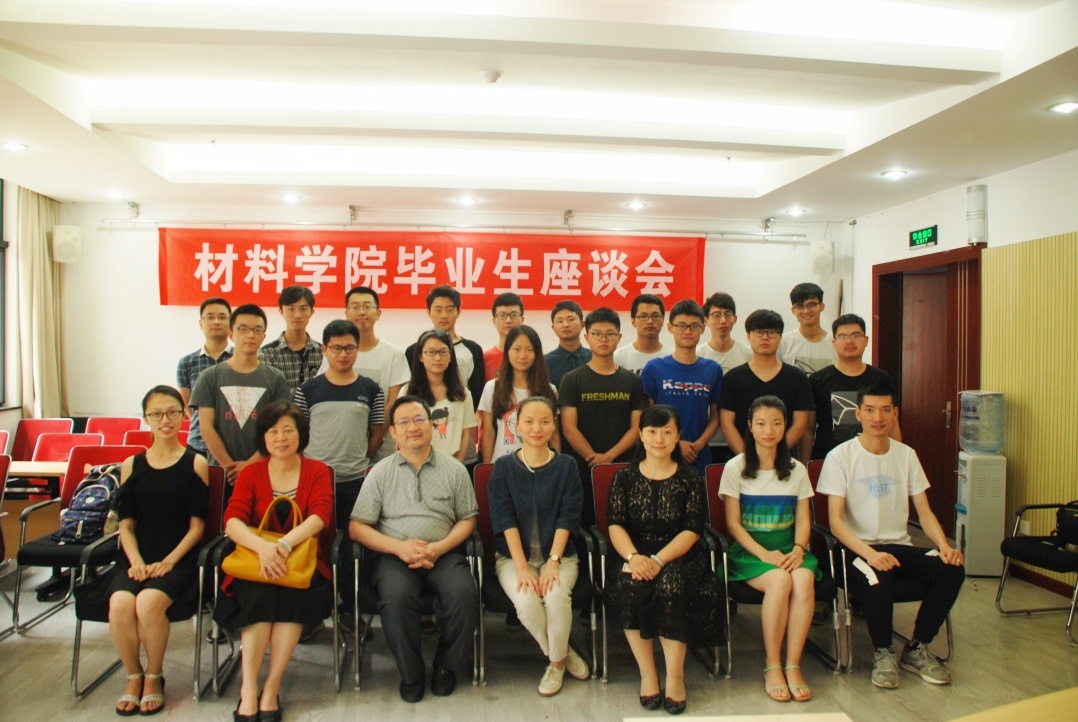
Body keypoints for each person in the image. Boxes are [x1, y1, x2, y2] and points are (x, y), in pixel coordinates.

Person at [816, 383, 965, 689]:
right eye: (870, 410)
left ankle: (917, 647)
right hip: (857, 550)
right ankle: (882, 651)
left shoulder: (906, 455)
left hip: (899, 546)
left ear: (895, 414)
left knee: (951, 569)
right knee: (878, 575)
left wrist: (944, 546)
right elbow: (835, 522)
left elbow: (925, 513)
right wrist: (870, 554)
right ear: (858, 414)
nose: (878, 417)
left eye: (885, 410)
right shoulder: (840, 456)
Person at [350, 396, 479, 703]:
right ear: (393, 432)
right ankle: (412, 673)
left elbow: (468, 519)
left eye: (420, 419)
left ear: (432, 425)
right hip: (395, 556)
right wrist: (399, 548)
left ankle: (446, 666)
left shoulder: (454, 469)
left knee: (464, 594)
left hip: (443, 553)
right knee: (396, 597)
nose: (413, 427)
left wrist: (438, 548)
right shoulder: (380, 472)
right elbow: (357, 527)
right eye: (404, 422)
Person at [216, 401, 335, 722]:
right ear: (263, 438)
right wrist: (264, 550)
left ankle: (271, 687)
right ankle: (248, 689)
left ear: (301, 434)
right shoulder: (252, 473)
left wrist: (282, 545)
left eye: (288, 430)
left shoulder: (317, 470)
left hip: (301, 564)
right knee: (257, 598)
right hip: (255, 562)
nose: (280, 438)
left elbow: (320, 516)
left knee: (290, 598)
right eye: (273, 431)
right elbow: (232, 521)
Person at [604, 405, 722, 716]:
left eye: (667, 432)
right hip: (633, 553)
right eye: (652, 431)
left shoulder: (690, 479)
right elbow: (615, 524)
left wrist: (658, 560)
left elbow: (692, 530)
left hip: (679, 555)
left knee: (671, 586)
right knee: (630, 585)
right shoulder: (624, 477)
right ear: (641, 435)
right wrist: (634, 557)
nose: (659, 438)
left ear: (678, 436)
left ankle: (675, 676)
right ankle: (648, 674)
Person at [109, 385, 210, 716]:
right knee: (120, 604)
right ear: (146, 418)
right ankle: (133, 675)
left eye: (172, 412)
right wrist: (136, 561)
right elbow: (126, 526)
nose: (165, 420)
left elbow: (197, 528)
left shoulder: (195, 463)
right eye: (156, 414)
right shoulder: (132, 464)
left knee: (148, 603)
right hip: (137, 556)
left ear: (184, 415)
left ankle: (154, 676)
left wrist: (168, 561)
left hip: (179, 558)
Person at [719, 396, 819, 703]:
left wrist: (799, 549)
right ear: (749, 426)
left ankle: (793, 664)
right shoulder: (735, 467)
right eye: (761, 424)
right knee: (779, 580)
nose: (769, 431)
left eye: (776, 423)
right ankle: (772, 665)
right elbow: (733, 524)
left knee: (803, 579)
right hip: (750, 554)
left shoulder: (796, 469)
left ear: (786, 425)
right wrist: (763, 555)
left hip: (789, 550)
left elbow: (804, 519)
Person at [487, 396, 590, 696]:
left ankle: (554, 666)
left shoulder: (566, 466)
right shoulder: (503, 467)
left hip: (560, 556)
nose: (536, 428)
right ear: (517, 426)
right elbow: (504, 519)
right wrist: (522, 568)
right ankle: (562, 655)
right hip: (513, 559)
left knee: (556, 597)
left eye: (544, 421)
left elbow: (568, 517)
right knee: (527, 603)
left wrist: (553, 561)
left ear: (553, 425)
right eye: (529, 421)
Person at [293, 318, 385, 628]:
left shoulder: (370, 389)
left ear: (357, 349)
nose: (343, 354)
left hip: (355, 482)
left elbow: (377, 432)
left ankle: (349, 610)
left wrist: (361, 460)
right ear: (324, 349)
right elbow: (299, 434)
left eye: (349, 348)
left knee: (350, 550)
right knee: (313, 545)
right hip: (316, 483)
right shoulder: (308, 389)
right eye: (336, 348)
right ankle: (312, 613)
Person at [559, 307, 647, 527]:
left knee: (624, 523)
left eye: (610, 334)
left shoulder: (632, 381)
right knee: (586, 525)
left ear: (619, 337)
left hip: (624, 467)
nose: (603, 339)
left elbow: (636, 428)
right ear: (587, 337)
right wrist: (594, 459)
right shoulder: (572, 380)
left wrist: (608, 457)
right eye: (597, 334)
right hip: (582, 468)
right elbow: (569, 427)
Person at [190, 303, 291, 482]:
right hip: (222, 472)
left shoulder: (276, 378)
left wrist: (250, 465)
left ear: (263, 336)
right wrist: (229, 467)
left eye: (257, 330)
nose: (250, 335)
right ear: (230, 334)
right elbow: (206, 427)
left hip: (264, 471)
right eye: (243, 329)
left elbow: (279, 427)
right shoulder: (210, 377)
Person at [320, 286, 411, 464]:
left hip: (382, 451)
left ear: (378, 313)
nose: (361, 312)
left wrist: (373, 439)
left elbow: (394, 402)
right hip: (341, 448)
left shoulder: (394, 354)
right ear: (346, 313)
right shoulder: (335, 354)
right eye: (355, 307)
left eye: (367, 306)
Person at [640, 300, 722, 475]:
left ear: (703, 328)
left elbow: (716, 416)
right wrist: (675, 444)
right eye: (681, 325)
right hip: (661, 455)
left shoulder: (713, 369)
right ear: (670, 327)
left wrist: (698, 445)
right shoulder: (654, 368)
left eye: (694, 326)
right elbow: (647, 417)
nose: (688, 331)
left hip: (698, 455)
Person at [718, 309, 813, 458]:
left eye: (771, 332)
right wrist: (748, 457)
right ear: (748, 336)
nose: (765, 337)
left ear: (780, 337)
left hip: (783, 459)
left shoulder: (797, 377)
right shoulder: (732, 378)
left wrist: (774, 455)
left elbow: (800, 424)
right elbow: (726, 424)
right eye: (759, 332)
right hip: (742, 460)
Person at [808, 313, 901, 460]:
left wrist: (896, 460)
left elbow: (893, 424)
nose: (849, 341)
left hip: (874, 458)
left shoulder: (882, 379)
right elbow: (808, 429)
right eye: (842, 336)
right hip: (829, 461)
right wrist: (807, 464)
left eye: (856, 335)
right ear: (834, 343)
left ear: (866, 340)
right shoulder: (817, 381)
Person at [478, 325, 560, 463]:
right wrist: (487, 467)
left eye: (529, 349)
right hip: (502, 463)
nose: (523, 356)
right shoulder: (493, 387)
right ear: (507, 351)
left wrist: (556, 465)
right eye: (517, 349)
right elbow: (488, 433)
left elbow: (554, 434)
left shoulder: (549, 390)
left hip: (539, 464)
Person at [402, 329, 478, 467]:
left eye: (443, 352)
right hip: (416, 464)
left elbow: (466, 435)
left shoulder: (462, 394)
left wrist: (456, 467)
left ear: (450, 356)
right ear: (420, 356)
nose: (438, 358)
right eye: (431, 352)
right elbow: (401, 432)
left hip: (453, 465)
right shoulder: (407, 392)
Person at [403, 285, 486, 411]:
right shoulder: (414, 351)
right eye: (438, 310)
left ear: (458, 312)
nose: (444, 315)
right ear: (428, 312)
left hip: (459, 413)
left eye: (449, 309)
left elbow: (476, 393)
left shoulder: (473, 350)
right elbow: (412, 388)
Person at [697, 292, 752, 464]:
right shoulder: (697, 355)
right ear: (706, 320)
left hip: (740, 438)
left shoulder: (748, 354)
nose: (723, 320)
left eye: (728, 314)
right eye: (716, 315)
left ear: (735, 319)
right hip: (705, 440)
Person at [177, 297, 233, 459]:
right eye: (210, 317)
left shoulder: (243, 358)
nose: (216, 321)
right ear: (201, 323)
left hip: (234, 443)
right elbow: (189, 407)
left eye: (222, 317)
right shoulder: (187, 363)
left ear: (231, 323)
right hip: (198, 444)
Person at [258, 285, 323, 393]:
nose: (297, 315)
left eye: (303, 309)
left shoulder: (323, 352)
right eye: (291, 309)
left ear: (312, 312)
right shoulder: (267, 354)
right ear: (281, 311)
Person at [778, 282, 836, 376]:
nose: (806, 311)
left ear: (822, 307)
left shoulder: (835, 342)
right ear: (793, 310)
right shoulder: (783, 342)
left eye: (812, 305)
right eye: (800, 306)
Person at [613, 294, 671, 374]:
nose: (650, 321)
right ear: (633, 321)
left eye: (655, 316)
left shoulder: (672, 357)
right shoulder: (618, 357)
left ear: (663, 320)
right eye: (643, 316)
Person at [544, 300, 591, 388]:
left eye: (571, 319)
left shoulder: (594, 358)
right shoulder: (544, 363)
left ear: (582, 324)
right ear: (553, 328)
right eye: (560, 321)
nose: (565, 325)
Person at [483, 292, 526, 381]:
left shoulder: (533, 356)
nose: (508, 320)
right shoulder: (485, 359)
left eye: (514, 315)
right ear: (494, 321)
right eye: (502, 315)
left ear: (522, 320)